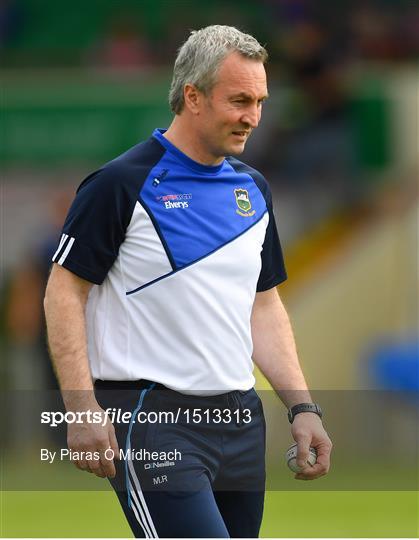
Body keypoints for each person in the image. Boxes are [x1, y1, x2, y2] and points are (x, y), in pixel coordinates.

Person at [44, 25, 332, 538]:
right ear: (192, 97)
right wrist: (81, 406)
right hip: (151, 416)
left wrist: (302, 406)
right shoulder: (120, 184)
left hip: (241, 420)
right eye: (240, 100)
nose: (253, 116)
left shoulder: (254, 190)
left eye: (260, 101)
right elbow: (63, 291)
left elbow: (263, 306)